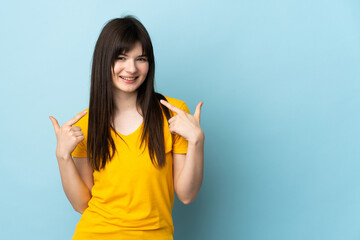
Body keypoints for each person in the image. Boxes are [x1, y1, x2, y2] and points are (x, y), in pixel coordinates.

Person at [49, 15, 205, 240]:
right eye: (121, 57)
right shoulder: (86, 123)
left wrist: (197, 142)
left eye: (140, 58)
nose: (131, 68)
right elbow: (82, 204)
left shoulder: (173, 113)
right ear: (105, 61)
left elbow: (187, 195)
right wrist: (63, 156)